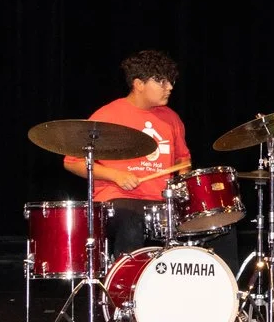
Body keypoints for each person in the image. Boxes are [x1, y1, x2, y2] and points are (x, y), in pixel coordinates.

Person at [60, 50, 233, 262]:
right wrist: (115, 175)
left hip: (163, 203)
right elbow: (73, 162)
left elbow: (183, 160)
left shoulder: (171, 118)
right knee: (131, 220)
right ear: (139, 84)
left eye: (170, 81)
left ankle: (226, 283)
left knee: (220, 222)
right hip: (118, 201)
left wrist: (182, 181)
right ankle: (126, 281)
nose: (170, 87)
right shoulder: (108, 115)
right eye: (161, 81)